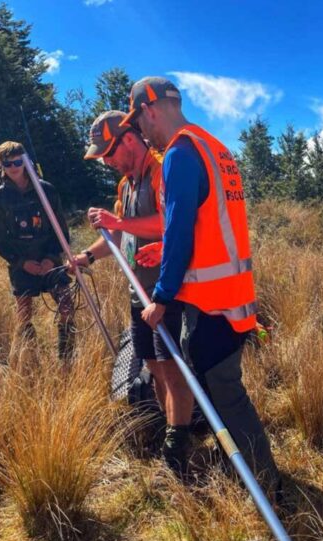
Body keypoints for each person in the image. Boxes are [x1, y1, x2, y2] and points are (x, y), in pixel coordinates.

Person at [121, 76, 282, 495]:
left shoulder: (179, 153)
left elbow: (179, 229)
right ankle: (251, 472)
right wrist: (165, 252)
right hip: (232, 295)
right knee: (222, 389)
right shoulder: (215, 148)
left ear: (149, 110)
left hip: (213, 304)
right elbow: (206, 224)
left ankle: (265, 484)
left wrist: (160, 296)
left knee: (225, 394)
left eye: (139, 124)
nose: (142, 134)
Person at [74, 110, 194, 475]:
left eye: (108, 153)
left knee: (171, 368)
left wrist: (119, 222)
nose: (107, 162)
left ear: (128, 140)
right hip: (136, 288)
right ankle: (167, 425)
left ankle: (179, 443)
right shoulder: (126, 185)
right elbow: (120, 235)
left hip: (165, 290)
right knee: (155, 367)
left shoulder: (162, 170)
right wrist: (88, 256)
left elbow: (171, 224)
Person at [0, 141, 75, 361]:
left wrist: (51, 258)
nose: (13, 166)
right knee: (24, 314)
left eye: (18, 161)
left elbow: (60, 230)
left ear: (26, 162)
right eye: (8, 163)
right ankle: (29, 359)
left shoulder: (46, 190)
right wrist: (21, 262)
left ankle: (67, 358)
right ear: (1, 165)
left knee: (67, 306)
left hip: (50, 260)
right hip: (21, 264)